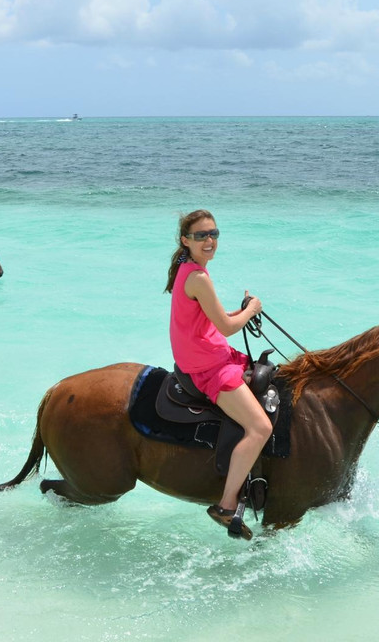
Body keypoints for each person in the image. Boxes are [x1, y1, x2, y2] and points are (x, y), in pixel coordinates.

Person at [165, 209, 273, 540]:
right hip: (207, 366)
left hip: (204, 351)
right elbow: (225, 327)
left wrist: (239, 311)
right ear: (186, 240)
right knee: (260, 427)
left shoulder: (190, 270)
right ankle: (225, 504)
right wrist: (251, 311)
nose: (210, 240)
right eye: (201, 236)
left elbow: (212, 317)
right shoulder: (197, 277)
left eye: (214, 234)